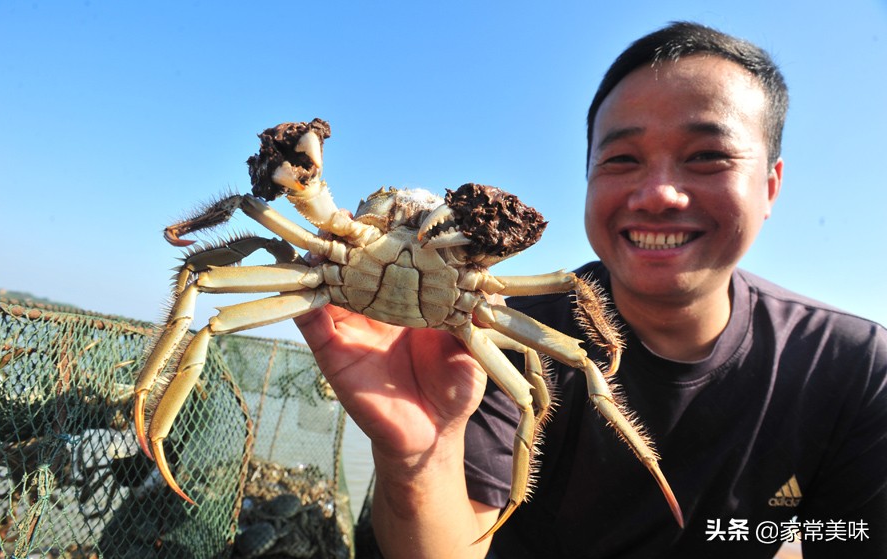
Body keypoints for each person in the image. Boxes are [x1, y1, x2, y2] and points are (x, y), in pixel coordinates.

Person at [295, 22, 887, 558]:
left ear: (771, 185)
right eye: (622, 158)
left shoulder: (856, 368)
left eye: (707, 156)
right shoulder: (490, 334)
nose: (658, 194)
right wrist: (418, 457)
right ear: (587, 177)